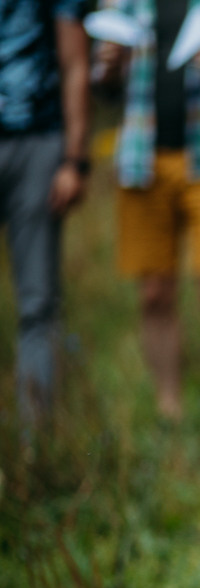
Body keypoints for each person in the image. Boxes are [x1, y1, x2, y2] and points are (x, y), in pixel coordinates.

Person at [93, 0, 200, 441]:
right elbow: (106, 86)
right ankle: (168, 412)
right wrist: (111, 66)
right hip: (143, 156)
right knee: (154, 291)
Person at [0, 0, 90, 426]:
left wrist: (74, 159)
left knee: (37, 304)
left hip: (37, 142)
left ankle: (35, 449)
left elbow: (75, 62)